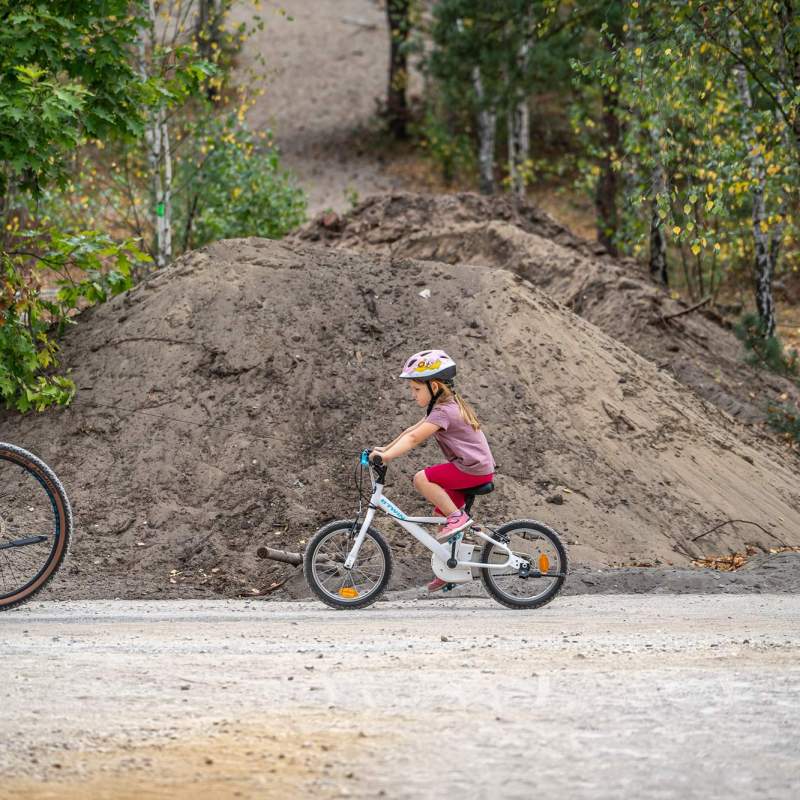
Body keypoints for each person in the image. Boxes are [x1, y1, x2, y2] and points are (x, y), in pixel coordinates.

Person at [371, 349, 496, 592]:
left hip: (472, 469)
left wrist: (386, 457)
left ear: (435, 386)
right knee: (442, 515)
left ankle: (458, 518)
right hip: (472, 468)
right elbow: (410, 430)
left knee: (421, 479)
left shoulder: (444, 411)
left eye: (416, 389)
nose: (413, 394)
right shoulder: (442, 407)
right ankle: (451, 569)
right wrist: (385, 448)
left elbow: (416, 438)